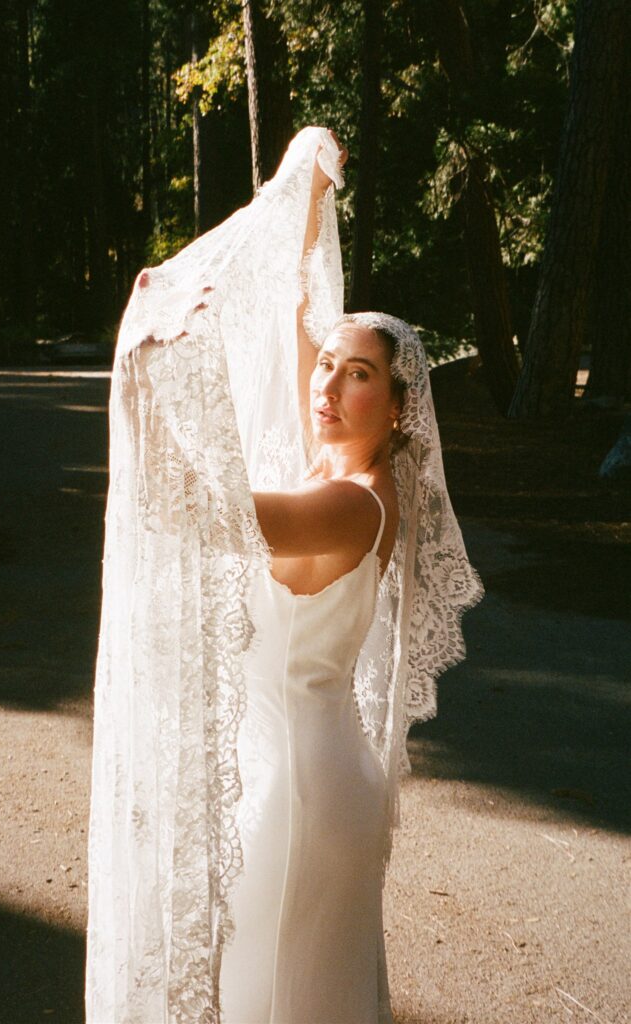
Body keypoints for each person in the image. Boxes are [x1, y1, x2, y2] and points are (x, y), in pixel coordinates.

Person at [86, 126, 484, 1024]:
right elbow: (298, 313)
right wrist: (305, 186)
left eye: (357, 375)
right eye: (330, 369)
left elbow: (209, 509)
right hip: (298, 774)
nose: (327, 386)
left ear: (398, 408)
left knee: (272, 996)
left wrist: (143, 369)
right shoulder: (331, 462)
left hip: (303, 789)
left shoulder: (352, 502)